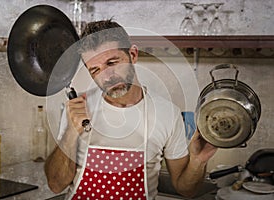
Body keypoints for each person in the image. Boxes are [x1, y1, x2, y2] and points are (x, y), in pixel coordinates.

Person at [44, 19, 217, 199]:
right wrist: (72, 131)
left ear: (133, 55)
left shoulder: (167, 114)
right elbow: (56, 185)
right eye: (95, 70)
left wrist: (197, 162)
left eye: (112, 63)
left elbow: (185, 189)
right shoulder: (77, 109)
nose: (107, 76)